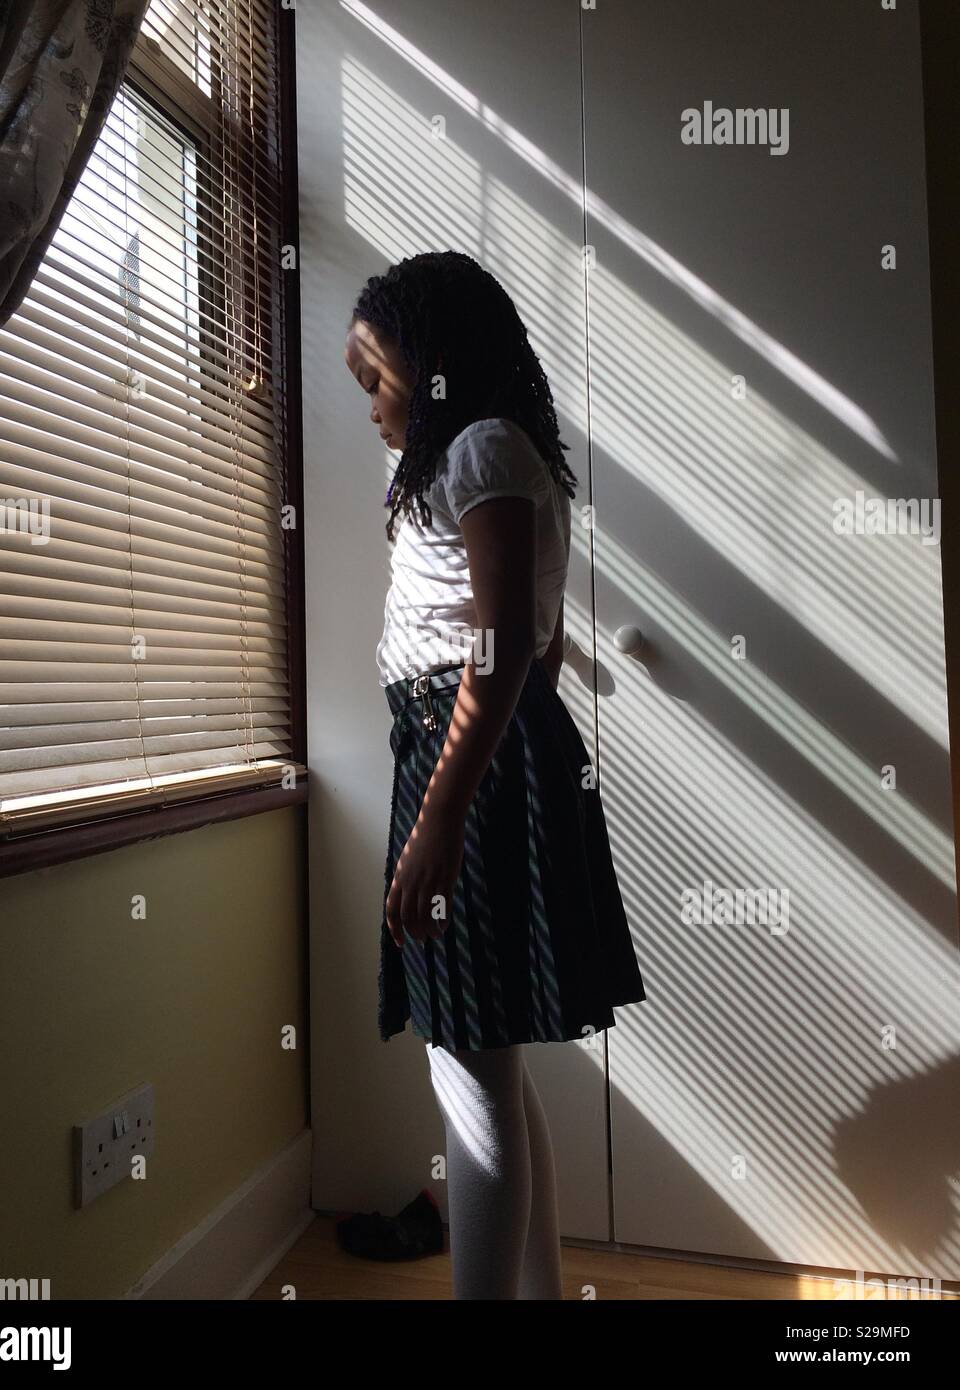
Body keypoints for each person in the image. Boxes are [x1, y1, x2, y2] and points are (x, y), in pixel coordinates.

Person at [343, 251, 647, 1300]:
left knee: (469, 1067)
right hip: (465, 749)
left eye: (375, 377)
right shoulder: (488, 455)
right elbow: (536, 648)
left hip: (458, 753)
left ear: (430, 364)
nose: (370, 404)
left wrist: (440, 818)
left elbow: (504, 640)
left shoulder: (476, 449)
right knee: (484, 1067)